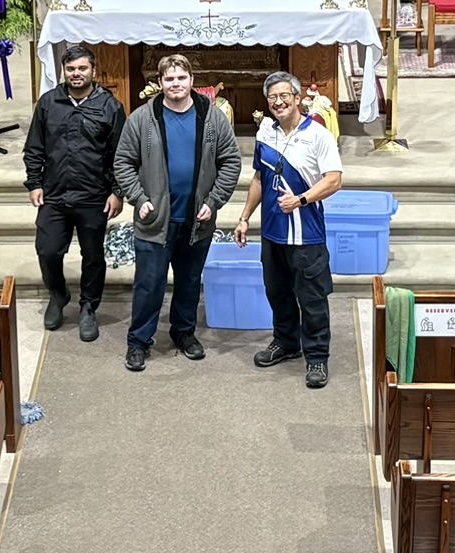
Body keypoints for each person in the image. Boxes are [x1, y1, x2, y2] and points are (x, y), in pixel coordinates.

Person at [113, 53, 241, 373]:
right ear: (160, 83)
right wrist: (138, 197)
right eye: (169, 79)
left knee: (188, 281)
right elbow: (123, 163)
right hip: (155, 219)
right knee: (149, 283)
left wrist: (213, 201)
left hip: (197, 220)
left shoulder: (211, 116)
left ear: (191, 81)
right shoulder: (143, 118)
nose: (175, 84)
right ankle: (139, 341)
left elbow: (231, 162)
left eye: (181, 78)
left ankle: (183, 333)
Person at [234, 70, 344, 389]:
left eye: (285, 96)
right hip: (271, 231)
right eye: (272, 98)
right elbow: (258, 179)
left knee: (311, 298)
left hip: (306, 233)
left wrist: (302, 199)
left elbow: (334, 179)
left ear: (297, 98)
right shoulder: (265, 133)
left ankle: (317, 357)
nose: (279, 102)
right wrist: (244, 217)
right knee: (277, 292)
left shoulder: (318, 134)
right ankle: (286, 342)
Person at [24, 43, 123, 341]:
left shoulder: (110, 106)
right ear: (63, 72)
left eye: (82, 68)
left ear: (93, 70)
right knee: (48, 250)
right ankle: (58, 293)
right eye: (71, 69)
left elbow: (121, 154)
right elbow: (34, 147)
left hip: (94, 195)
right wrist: (34, 183)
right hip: (54, 193)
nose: (76, 74)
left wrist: (117, 191)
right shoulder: (48, 103)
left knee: (93, 255)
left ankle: (88, 307)